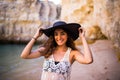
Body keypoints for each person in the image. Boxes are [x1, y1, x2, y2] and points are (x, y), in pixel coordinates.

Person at [20, 21, 93, 80]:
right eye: (56, 34)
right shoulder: (47, 50)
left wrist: (83, 38)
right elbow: (24, 55)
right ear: (53, 37)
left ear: (67, 36)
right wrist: (35, 37)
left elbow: (88, 60)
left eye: (62, 34)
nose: (59, 37)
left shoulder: (72, 53)